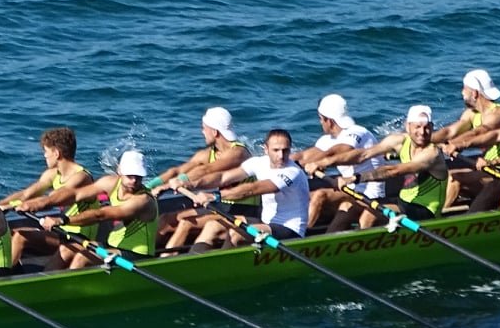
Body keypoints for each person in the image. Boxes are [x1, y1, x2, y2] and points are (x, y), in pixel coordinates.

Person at [178, 128, 311, 249]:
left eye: (285, 150)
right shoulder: (259, 162)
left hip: (290, 230)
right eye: (276, 150)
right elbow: (223, 177)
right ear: (266, 149)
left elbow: (253, 189)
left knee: (236, 234)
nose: (281, 156)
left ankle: (222, 267)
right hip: (265, 223)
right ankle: (191, 262)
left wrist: (215, 196)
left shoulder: (292, 172)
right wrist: (192, 183)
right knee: (212, 226)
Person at [320, 103, 449, 221]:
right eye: (418, 127)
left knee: (370, 213)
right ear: (408, 126)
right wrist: (324, 162)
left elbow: (394, 171)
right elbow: (364, 154)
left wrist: (354, 178)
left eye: (427, 128)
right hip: (403, 202)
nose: (422, 132)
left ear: (432, 128)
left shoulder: (432, 153)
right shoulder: (400, 141)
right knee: (348, 206)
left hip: (425, 210)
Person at [0, 127, 96, 267]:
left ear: (56, 153)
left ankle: (13, 277)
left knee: (27, 239)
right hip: (60, 231)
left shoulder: (81, 177)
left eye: (46, 151)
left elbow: (54, 198)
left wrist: (26, 205)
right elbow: (26, 194)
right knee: (16, 234)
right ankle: (4, 271)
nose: (44, 155)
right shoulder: (52, 174)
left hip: (80, 238)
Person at [158, 108, 251, 252]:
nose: (202, 132)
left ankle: (166, 262)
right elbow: (176, 171)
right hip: (223, 208)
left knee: (186, 223)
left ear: (215, 132)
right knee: (166, 219)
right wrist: (153, 187)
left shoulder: (239, 153)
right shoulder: (207, 154)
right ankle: (143, 256)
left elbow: (207, 170)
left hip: (245, 212)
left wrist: (182, 180)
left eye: (204, 128)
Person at [48, 150, 159, 269]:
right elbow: (77, 194)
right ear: (119, 171)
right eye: (130, 176)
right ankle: (44, 281)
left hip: (137, 255)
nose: (134, 181)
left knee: (82, 257)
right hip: (113, 246)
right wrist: (42, 203)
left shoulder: (143, 200)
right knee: (67, 249)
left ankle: (67, 286)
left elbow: (100, 215)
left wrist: (63, 220)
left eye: (138, 177)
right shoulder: (111, 182)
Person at [431, 68, 500, 211]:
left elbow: (481, 131)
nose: (461, 93)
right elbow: (450, 131)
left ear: (474, 93)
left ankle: (437, 220)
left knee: (455, 178)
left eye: (464, 89)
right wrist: (423, 140)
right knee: (449, 176)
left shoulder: (499, 114)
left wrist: (456, 144)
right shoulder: (472, 114)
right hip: (488, 170)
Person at [298, 93, 382, 232]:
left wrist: (322, 163)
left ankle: (301, 237)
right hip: (350, 190)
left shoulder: (358, 132)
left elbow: (341, 151)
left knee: (320, 195)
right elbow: (304, 156)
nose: (320, 123)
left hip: (372, 194)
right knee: (304, 195)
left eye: (321, 119)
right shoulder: (326, 140)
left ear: (329, 121)